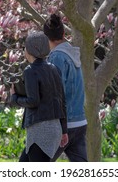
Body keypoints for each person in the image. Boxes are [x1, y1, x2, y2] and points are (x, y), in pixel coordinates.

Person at [10, 31, 68, 162]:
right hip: (55, 127)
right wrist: (64, 130)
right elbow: (62, 101)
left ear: (30, 50)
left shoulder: (30, 71)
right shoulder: (54, 68)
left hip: (39, 129)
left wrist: (14, 98)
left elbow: (33, 101)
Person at [43, 13, 88, 162]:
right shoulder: (73, 54)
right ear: (63, 33)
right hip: (80, 122)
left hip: (64, 126)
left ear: (46, 37)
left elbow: (55, 94)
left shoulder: (57, 57)